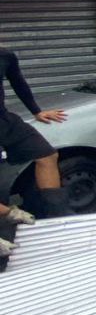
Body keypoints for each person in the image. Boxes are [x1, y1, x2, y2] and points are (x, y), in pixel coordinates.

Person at [0, 46, 68, 222]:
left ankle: (57, 216)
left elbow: (18, 82)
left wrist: (36, 111)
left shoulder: (5, 55)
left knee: (47, 155)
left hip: (3, 119)